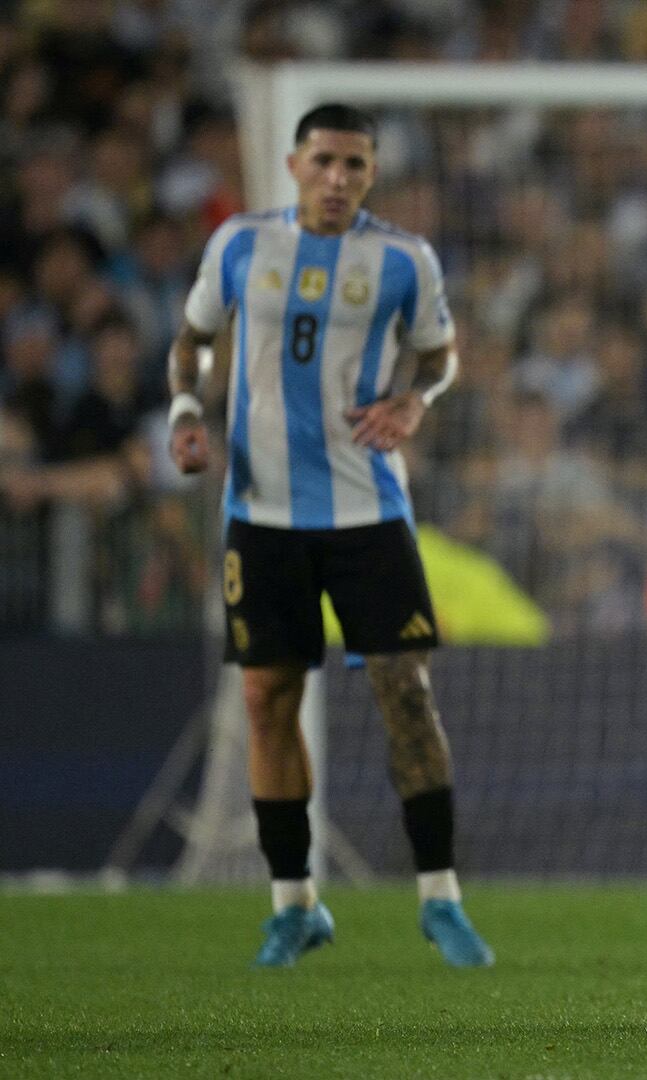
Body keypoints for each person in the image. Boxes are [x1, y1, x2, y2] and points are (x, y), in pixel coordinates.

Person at [168, 103, 493, 968]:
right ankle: (294, 905)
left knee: (406, 694)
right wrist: (186, 410)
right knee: (267, 701)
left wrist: (416, 399)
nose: (338, 178)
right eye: (324, 161)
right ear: (293, 165)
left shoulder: (403, 259)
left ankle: (440, 898)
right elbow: (193, 339)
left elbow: (442, 354)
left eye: (354, 164)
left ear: (372, 173)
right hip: (262, 515)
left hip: (367, 511)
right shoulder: (241, 244)